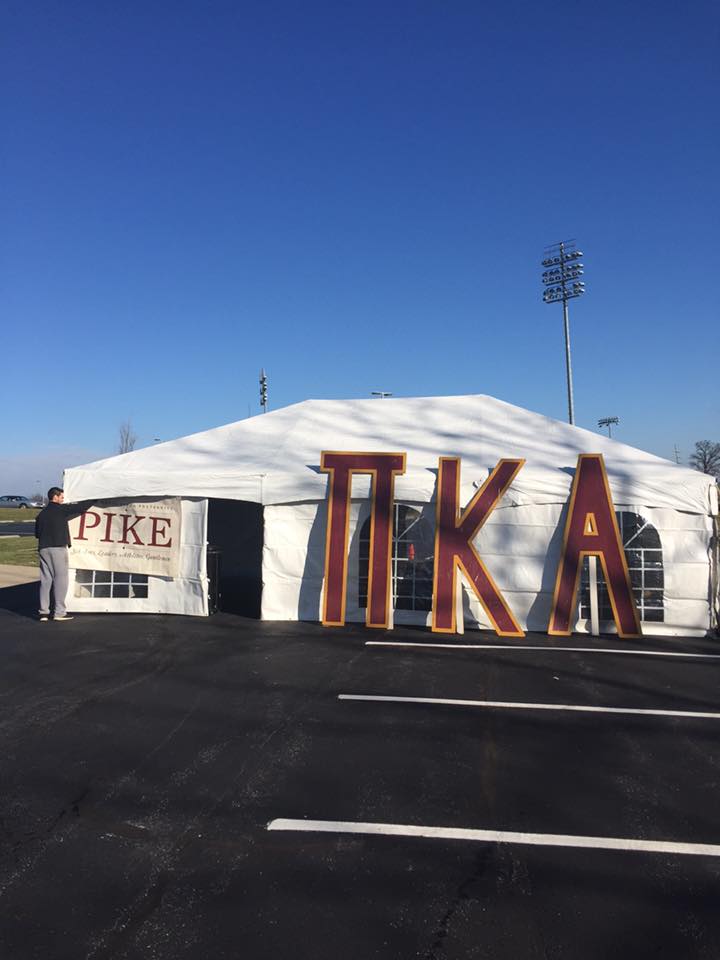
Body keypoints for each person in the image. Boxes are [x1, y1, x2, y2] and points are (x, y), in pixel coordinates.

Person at [35, 487, 95, 621]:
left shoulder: (41, 514)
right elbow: (81, 508)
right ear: (55, 497)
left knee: (46, 580)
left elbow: (37, 534)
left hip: (43, 548)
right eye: (62, 497)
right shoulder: (61, 509)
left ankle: (43, 612)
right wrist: (95, 498)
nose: (63, 499)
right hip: (58, 547)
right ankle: (59, 612)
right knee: (61, 579)